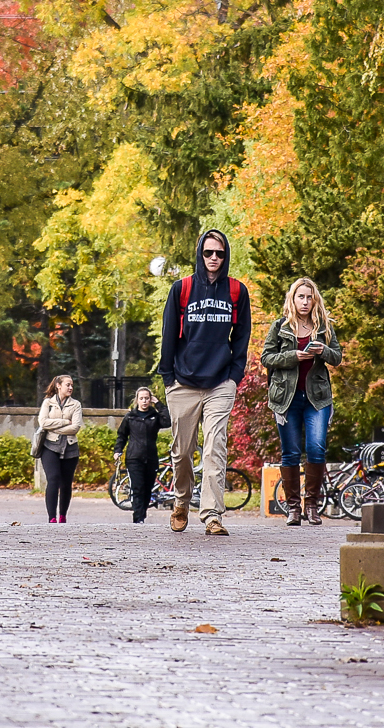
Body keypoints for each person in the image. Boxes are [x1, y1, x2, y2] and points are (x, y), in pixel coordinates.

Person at [157, 229, 251, 537]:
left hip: (220, 383)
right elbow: (169, 335)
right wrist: (169, 379)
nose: (214, 258)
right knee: (182, 452)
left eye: (220, 254)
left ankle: (212, 515)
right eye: (209, 253)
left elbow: (241, 338)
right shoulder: (181, 288)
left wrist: (234, 376)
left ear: (226, 257)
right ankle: (182, 500)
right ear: (200, 254)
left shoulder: (237, 291)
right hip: (182, 383)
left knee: (215, 448)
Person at [260, 278, 342, 526]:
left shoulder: (324, 327)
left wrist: (322, 351)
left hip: (317, 398)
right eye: (300, 297)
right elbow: (266, 358)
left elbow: (337, 357)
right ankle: (294, 508)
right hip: (286, 398)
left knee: (316, 448)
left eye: (309, 297)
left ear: (314, 300)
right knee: (291, 452)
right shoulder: (280, 326)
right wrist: (293, 356)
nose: (305, 302)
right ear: (292, 299)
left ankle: (313, 506)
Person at [113, 387, 171, 524]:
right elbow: (122, 435)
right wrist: (118, 450)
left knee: (147, 488)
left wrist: (159, 404)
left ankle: (142, 515)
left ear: (150, 400)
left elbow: (168, 421)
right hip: (134, 458)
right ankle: (138, 518)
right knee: (138, 488)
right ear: (137, 400)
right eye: (141, 398)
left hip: (151, 458)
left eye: (147, 398)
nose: (144, 401)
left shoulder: (155, 417)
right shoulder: (130, 417)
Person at [36, 374, 83, 524]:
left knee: (66, 483)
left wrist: (55, 427)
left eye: (72, 385)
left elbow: (75, 427)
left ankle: (62, 515)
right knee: (53, 479)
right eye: (67, 385)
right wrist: (64, 422)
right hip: (50, 446)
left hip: (70, 447)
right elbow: (43, 423)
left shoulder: (76, 404)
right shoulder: (47, 403)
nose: (70, 388)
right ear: (58, 385)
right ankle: (52, 517)